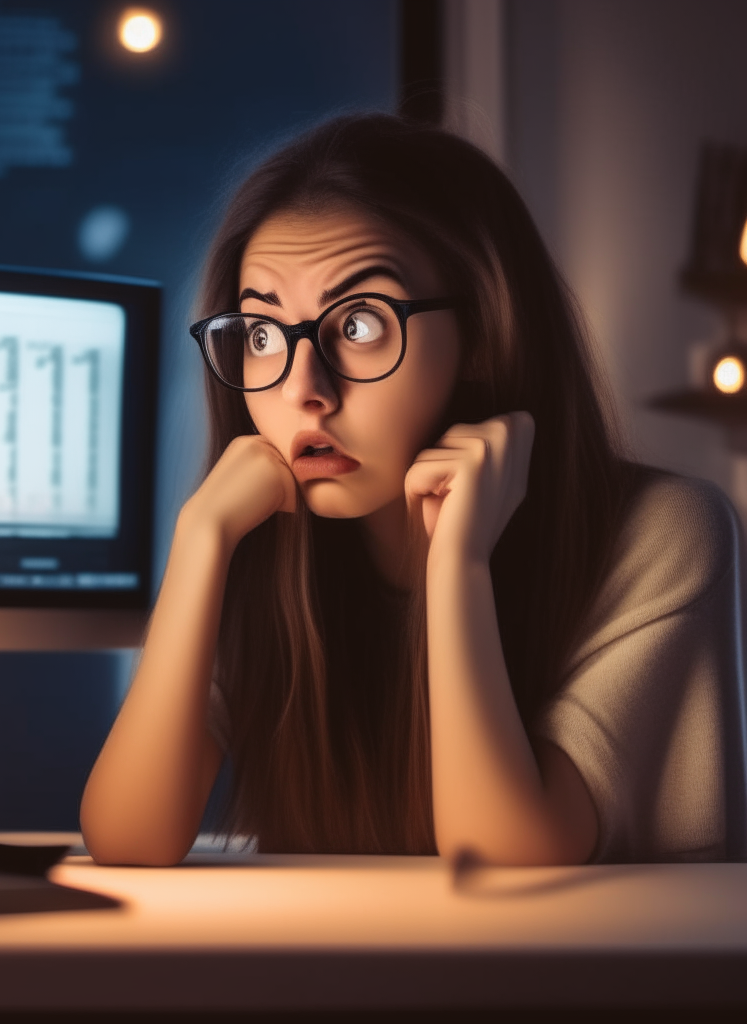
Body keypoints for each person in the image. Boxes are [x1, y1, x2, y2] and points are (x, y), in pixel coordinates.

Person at [80, 114, 747, 866]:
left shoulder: (664, 534)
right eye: (263, 334)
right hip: (326, 981)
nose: (305, 390)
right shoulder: (258, 542)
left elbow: (502, 863)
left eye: (359, 323)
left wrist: (458, 567)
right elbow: (128, 840)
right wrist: (200, 539)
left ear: (485, 334)